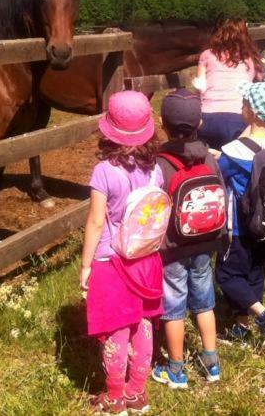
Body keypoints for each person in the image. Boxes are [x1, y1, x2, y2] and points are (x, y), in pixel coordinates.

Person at [80, 91, 165, 415]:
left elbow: (96, 221)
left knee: (117, 326)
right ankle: (137, 393)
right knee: (142, 323)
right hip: (145, 257)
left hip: (110, 261)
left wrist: (86, 265)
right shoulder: (154, 168)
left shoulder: (104, 171)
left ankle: (114, 397)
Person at [151, 89, 225, 389]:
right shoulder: (209, 157)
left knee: (174, 306)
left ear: (162, 123)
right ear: (201, 123)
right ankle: (211, 360)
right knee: (205, 302)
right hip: (206, 241)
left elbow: (154, 207)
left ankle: (176, 368)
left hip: (173, 247)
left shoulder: (160, 163)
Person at [215, 80, 265, 347]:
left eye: (245, 104)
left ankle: (263, 315)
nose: (241, 107)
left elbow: (219, 173)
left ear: (252, 113)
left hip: (238, 228)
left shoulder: (234, 151)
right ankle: (241, 328)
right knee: (253, 272)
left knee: (226, 275)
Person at [194, 18, 260, 150]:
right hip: (237, 117)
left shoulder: (206, 55)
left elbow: (200, 86)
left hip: (207, 117)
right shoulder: (250, 59)